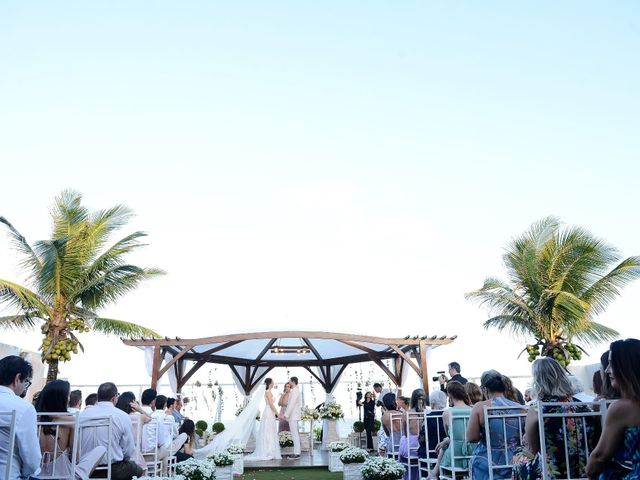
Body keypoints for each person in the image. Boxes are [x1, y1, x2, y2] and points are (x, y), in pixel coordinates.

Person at [513, 357, 595, 480]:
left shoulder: (537, 409)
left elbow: (532, 450)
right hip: (585, 470)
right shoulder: (582, 406)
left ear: (538, 381)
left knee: (518, 455)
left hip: (552, 473)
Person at [587, 338, 640, 480]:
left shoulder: (622, 408)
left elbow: (599, 456)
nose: (606, 370)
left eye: (611, 364)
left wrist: (590, 473)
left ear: (625, 367)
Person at [36, 380, 105, 480]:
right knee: (101, 449)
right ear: (61, 399)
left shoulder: (33, 419)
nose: (69, 399)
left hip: (37, 475)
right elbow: (74, 460)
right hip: (63, 476)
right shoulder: (70, 422)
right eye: (68, 395)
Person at [79, 382, 143, 480]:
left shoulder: (83, 415)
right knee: (137, 469)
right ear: (114, 398)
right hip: (113, 469)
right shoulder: (122, 416)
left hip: (85, 469)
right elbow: (128, 449)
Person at [466, 370, 523, 480]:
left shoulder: (480, 407)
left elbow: (471, 438)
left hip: (487, 461)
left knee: (476, 461)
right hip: (515, 460)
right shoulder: (520, 408)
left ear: (485, 389)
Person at [0, 355, 41, 480]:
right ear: (17, 378)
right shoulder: (23, 408)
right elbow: (32, 460)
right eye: (26, 382)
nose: (25, 387)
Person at [429, 381, 474, 479]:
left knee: (445, 445)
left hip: (454, 456)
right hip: (473, 453)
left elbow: (450, 436)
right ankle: (433, 474)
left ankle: (433, 474)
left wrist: (446, 441)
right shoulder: (473, 410)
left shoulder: (447, 413)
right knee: (446, 443)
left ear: (449, 395)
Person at [246, 378, 282, 460]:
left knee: (270, 431)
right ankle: (268, 451)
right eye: (273, 382)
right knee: (268, 431)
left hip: (270, 412)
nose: (274, 383)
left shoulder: (269, 392)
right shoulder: (268, 392)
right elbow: (271, 405)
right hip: (269, 412)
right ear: (270, 383)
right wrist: (278, 414)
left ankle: (271, 450)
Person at [115, 391, 151, 471]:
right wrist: (139, 409)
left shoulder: (119, 418)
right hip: (135, 454)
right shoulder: (140, 417)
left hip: (120, 454)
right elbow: (150, 418)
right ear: (133, 404)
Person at [283, 376, 302, 459]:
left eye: (290, 381)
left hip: (293, 415)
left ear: (293, 382)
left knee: (295, 434)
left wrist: (286, 414)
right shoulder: (294, 391)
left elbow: (291, 404)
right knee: (295, 434)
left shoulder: (295, 391)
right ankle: (296, 452)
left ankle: (297, 453)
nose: (289, 383)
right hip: (293, 415)